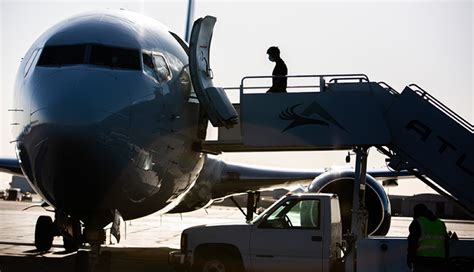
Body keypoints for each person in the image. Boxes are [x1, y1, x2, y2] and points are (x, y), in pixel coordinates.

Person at [407, 203, 449, 272]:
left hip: (422, 261)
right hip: (439, 262)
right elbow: (446, 245)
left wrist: (410, 259)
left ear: (417, 213)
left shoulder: (417, 223)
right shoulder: (441, 224)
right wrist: (446, 260)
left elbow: (412, 244)